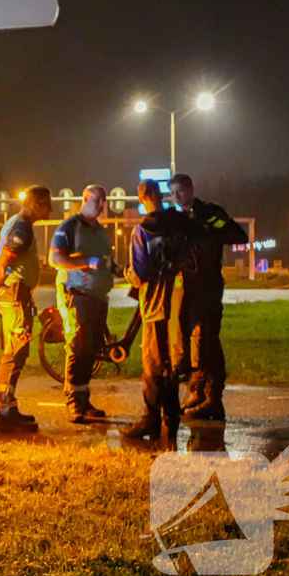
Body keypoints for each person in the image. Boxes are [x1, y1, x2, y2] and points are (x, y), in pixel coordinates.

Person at [168, 173, 248, 421]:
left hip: (208, 285)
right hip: (185, 287)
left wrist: (206, 233)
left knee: (207, 339)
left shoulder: (210, 213)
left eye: (180, 191)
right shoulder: (177, 218)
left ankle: (214, 398)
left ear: (191, 189)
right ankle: (197, 390)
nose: (177, 196)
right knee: (191, 340)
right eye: (173, 193)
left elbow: (238, 236)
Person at [122, 180, 193, 439]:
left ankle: (151, 419)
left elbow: (139, 275)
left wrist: (128, 274)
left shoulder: (143, 230)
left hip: (153, 305)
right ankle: (172, 419)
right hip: (180, 303)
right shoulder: (180, 223)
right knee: (174, 361)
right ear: (160, 195)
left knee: (153, 364)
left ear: (142, 199)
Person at [0, 185, 53, 431]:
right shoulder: (22, 229)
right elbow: (2, 263)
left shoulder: (16, 223)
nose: (51, 208)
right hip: (14, 295)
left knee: (15, 351)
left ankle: (7, 408)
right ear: (34, 204)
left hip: (16, 294)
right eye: (47, 204)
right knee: (15, 351)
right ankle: (6, 410)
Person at [48, 185, 117, 423]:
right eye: (97, 200)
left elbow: (107, 262)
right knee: (78, 347)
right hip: (77, 295)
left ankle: (84, 399)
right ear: (85, 199)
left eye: (103, 201)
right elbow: (55, 258)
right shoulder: (70, 226)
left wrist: (121, 270)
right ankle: (73, 403)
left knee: (92, 350)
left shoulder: (100, 231)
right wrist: (86, 262)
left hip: (99, 296)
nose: (101, 205)